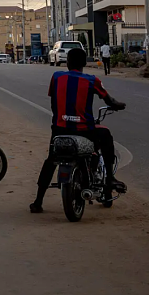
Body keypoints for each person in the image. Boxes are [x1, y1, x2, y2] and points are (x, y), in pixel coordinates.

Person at [30, 48, 127, 212]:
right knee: (105, 135)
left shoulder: (56, 77)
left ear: (67, 62)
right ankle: (109, 178)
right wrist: (119, 105)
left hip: (59, 129)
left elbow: (54, 101)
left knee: (51, 160)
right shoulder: (91, 80)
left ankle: (38, 201)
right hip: (85, 130)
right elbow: (110, 101)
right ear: (84, 63)